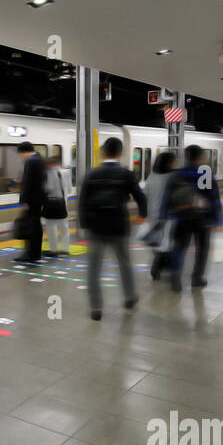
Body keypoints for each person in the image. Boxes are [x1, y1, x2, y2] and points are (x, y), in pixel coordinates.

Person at [77, 137, 146, 319]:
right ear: (121, 153)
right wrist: (141, 215)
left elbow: (82, 202)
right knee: (124, 264)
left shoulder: (91, 174)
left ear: (103, 152)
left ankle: (96, 309)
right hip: (119, 227)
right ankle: (130, 298)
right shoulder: (126, 174)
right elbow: (141, 197)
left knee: (93, 269)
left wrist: (85, 226)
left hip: (96, 228)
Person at [160, 144, 223, 292]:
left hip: (181, 217)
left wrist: (163, 216)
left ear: (187, 157)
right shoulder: (206, 174)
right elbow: (214, 199)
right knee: (202, 249)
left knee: (179, 247)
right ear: (201, 157)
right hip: (202, 219)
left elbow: (167, 197)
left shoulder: (176, 174)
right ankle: (197, 278)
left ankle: (176, 275)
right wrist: (219, 220)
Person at [145, 150, 177, 281]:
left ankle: (163, 265)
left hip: (152, 214)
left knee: (161, 241)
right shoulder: (171, 177)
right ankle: (157, 267)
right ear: (168, 163)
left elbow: (146, 196)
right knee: (167, 243)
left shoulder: (151, 177)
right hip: (167, 215)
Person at [14, 142, 46, 264]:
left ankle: (29, 254)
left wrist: (24, 200)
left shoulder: (31, 161)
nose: (20, 157)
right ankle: (36, 254)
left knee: (29, 227)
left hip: (31, 200)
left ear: (24, 152)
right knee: (36, 226)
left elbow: (27, 183)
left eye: (20, 154)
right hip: (39, 200)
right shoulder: (40, 159)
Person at [41, 155, 72, 257]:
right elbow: (69, 189)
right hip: (62, 203)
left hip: (51, 203)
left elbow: (48, 188)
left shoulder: (49, 173)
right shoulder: (66, 172)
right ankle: (65, 250)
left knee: (51, 227)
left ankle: (53, 250)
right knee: (64, 228)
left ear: (51, 164)